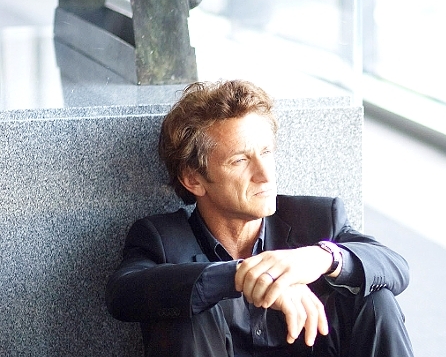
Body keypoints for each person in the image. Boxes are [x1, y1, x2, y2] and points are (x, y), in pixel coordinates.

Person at [105, 79, 414, 357]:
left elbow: (395, 268)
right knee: (182, 307)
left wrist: (320, 258)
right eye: (240, 160)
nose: (265, 175)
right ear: (193, 179)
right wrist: (241, 276)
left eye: (266, 153)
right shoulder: (161, 239)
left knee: (377, 299)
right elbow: (122, 295)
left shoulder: (317, 220)